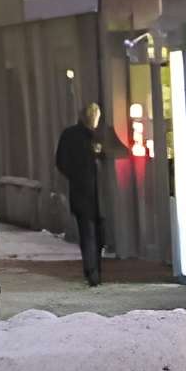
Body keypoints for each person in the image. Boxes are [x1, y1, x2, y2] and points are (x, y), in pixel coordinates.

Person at [54, 102, 118, 286]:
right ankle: (93, 271)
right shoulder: (87, 136)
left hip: (87, 192)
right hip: (89, 193)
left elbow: (61, 162)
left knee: (90, 233)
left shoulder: (81, 135)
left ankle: (92, 270)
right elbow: (62, 161)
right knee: (91, 233)